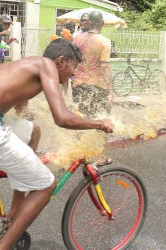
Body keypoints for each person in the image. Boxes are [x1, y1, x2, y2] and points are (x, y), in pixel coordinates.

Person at [0, 38, 114, 249]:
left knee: (32, 131)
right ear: (60, 61)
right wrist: (99, 124)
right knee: (46, 185)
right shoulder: (46, 66)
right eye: (73, 67)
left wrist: (32, 116)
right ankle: (3, 247)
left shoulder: (29, 64)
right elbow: (63, 118)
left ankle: (14, 213)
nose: (73, 74)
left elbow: (19, 105)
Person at [73, 11, 113, 165]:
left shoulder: (76, 39)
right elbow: (105, 67)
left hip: (78, 85)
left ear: (88, 22)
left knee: (82, 119)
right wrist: (110, 92)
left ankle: (79, 155)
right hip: (97, 87)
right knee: (101, 122)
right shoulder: (104, 42)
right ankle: (100, 157)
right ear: (102, 23)